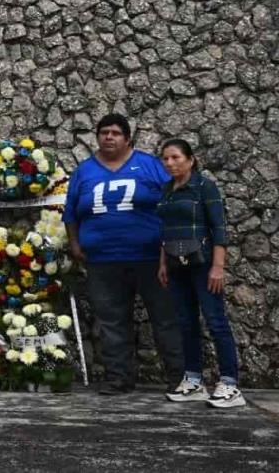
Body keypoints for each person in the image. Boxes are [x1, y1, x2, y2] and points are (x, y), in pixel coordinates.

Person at [64, 113, 184, 394]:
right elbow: (71, 212)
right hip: (103, 260)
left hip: (150, 258)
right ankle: (119, 377)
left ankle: (180, 377)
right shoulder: (85, 171)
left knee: (165, 318)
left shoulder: (150, 166)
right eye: (104, 132)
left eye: (116, 133)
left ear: (127, 139)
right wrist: (75, 243)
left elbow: (175, 199)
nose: (109, 137)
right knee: (111, 320)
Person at [157, 139, 245, 408]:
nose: (170, 163)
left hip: (203, 264)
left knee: (215, 321)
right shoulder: (167, 190)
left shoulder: (205, 187)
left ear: (190, 159)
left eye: (176, 158)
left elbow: (219, 228)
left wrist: (218, 267)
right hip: (175, 264)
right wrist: (162, 264)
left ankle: (230, 384)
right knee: (186, 323)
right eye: (166, 159)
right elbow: (165, 230)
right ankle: (193, 380)